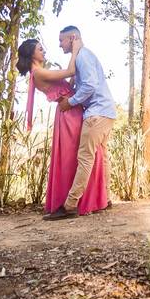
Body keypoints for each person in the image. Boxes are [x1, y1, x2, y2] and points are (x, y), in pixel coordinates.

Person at [15, 33, 109, 216]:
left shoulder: (41, 71)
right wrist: (76, 49)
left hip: (70, 110)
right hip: (69, 113)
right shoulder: (39, 72)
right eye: (40, 49)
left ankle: (89, 200)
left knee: (81, 155)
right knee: (81, 156)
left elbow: (70, 82)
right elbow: (70, 72)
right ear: (32, 54)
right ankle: (82, 202)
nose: (44, 51)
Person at [46, 25, 117, 220]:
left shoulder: (82, 56)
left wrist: (71, 102)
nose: (59, 44)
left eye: (62, 40)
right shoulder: (84, 55)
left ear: (72, 38)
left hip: (96, 113)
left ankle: (70, 205)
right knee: (101, 157)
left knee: (85, 158)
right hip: (106, 112)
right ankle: (105, 199)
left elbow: (90, 85)